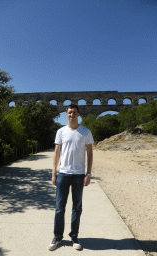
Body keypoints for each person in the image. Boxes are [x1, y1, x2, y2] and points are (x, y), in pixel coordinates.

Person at [48, 103, 94, 251]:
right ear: (66, 114)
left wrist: (88, 174)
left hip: (79, 175)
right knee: (59, 208)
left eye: (74, 112)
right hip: (63, 173)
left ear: (78, 114)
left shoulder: (85, 132)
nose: (71, 115)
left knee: (77, 207)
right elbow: (56, 153)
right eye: (69, 113)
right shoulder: (61, 131)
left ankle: (74, 236)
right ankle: (57, 237)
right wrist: (54, 172)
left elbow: (90, 153)